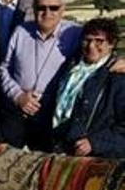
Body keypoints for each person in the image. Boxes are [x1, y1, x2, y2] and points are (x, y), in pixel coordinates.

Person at [0, 0, 81, 150]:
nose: (47, 13)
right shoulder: (21, 32)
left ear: (63, 9)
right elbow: (4, 69)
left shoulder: (75, 33)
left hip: (50, 115)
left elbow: (101, 48)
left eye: (53, 8)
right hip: (16, 110)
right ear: (34, 9)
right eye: (41, 8)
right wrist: (18, 95)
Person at [52, 18, 125, 158]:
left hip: (93, 158)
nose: (91, 46)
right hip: (61, 148)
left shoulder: (118, 78)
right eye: (87, 40)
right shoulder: (72, 68)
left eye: (99, 41)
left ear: (111, 43)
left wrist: (95, 143)